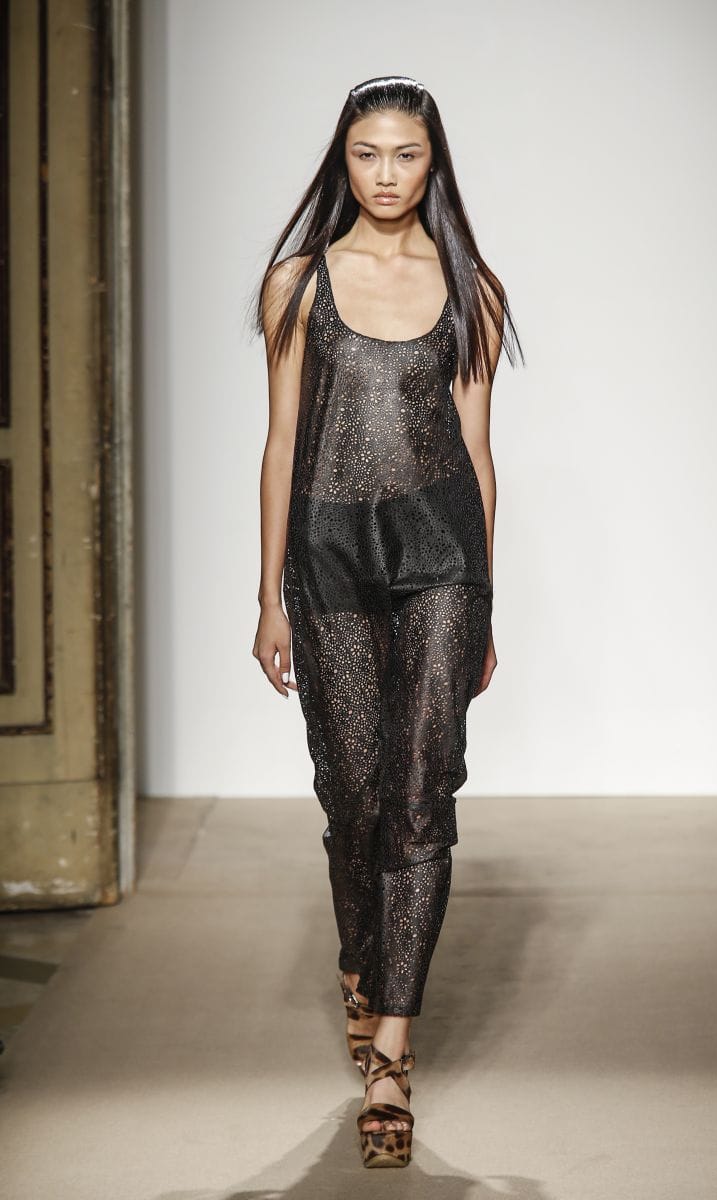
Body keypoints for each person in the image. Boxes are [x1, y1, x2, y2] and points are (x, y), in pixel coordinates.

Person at [250, 74, 523, 1168]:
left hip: (441, 557)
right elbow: (281, 442)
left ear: (432, 161)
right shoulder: (296, 283)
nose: (386, 174)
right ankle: (362, 965)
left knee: (420, 793)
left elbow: (478, 450)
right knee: (354, 795)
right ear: (343, 160)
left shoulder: (472, 290)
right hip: (326, 555)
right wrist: (266, 594)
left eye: (406, 154)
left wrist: (484, 599)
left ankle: (393, 1051)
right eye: (367, 154)